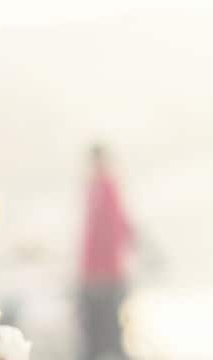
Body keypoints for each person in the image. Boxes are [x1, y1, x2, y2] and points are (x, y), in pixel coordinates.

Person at [79, 144, 134, 360]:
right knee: (94, 333)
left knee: (108, 332)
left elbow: (118, 230)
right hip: (92, 272)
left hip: (106, 274)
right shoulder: (93, 189)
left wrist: (114, 269)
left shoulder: (108, 188)